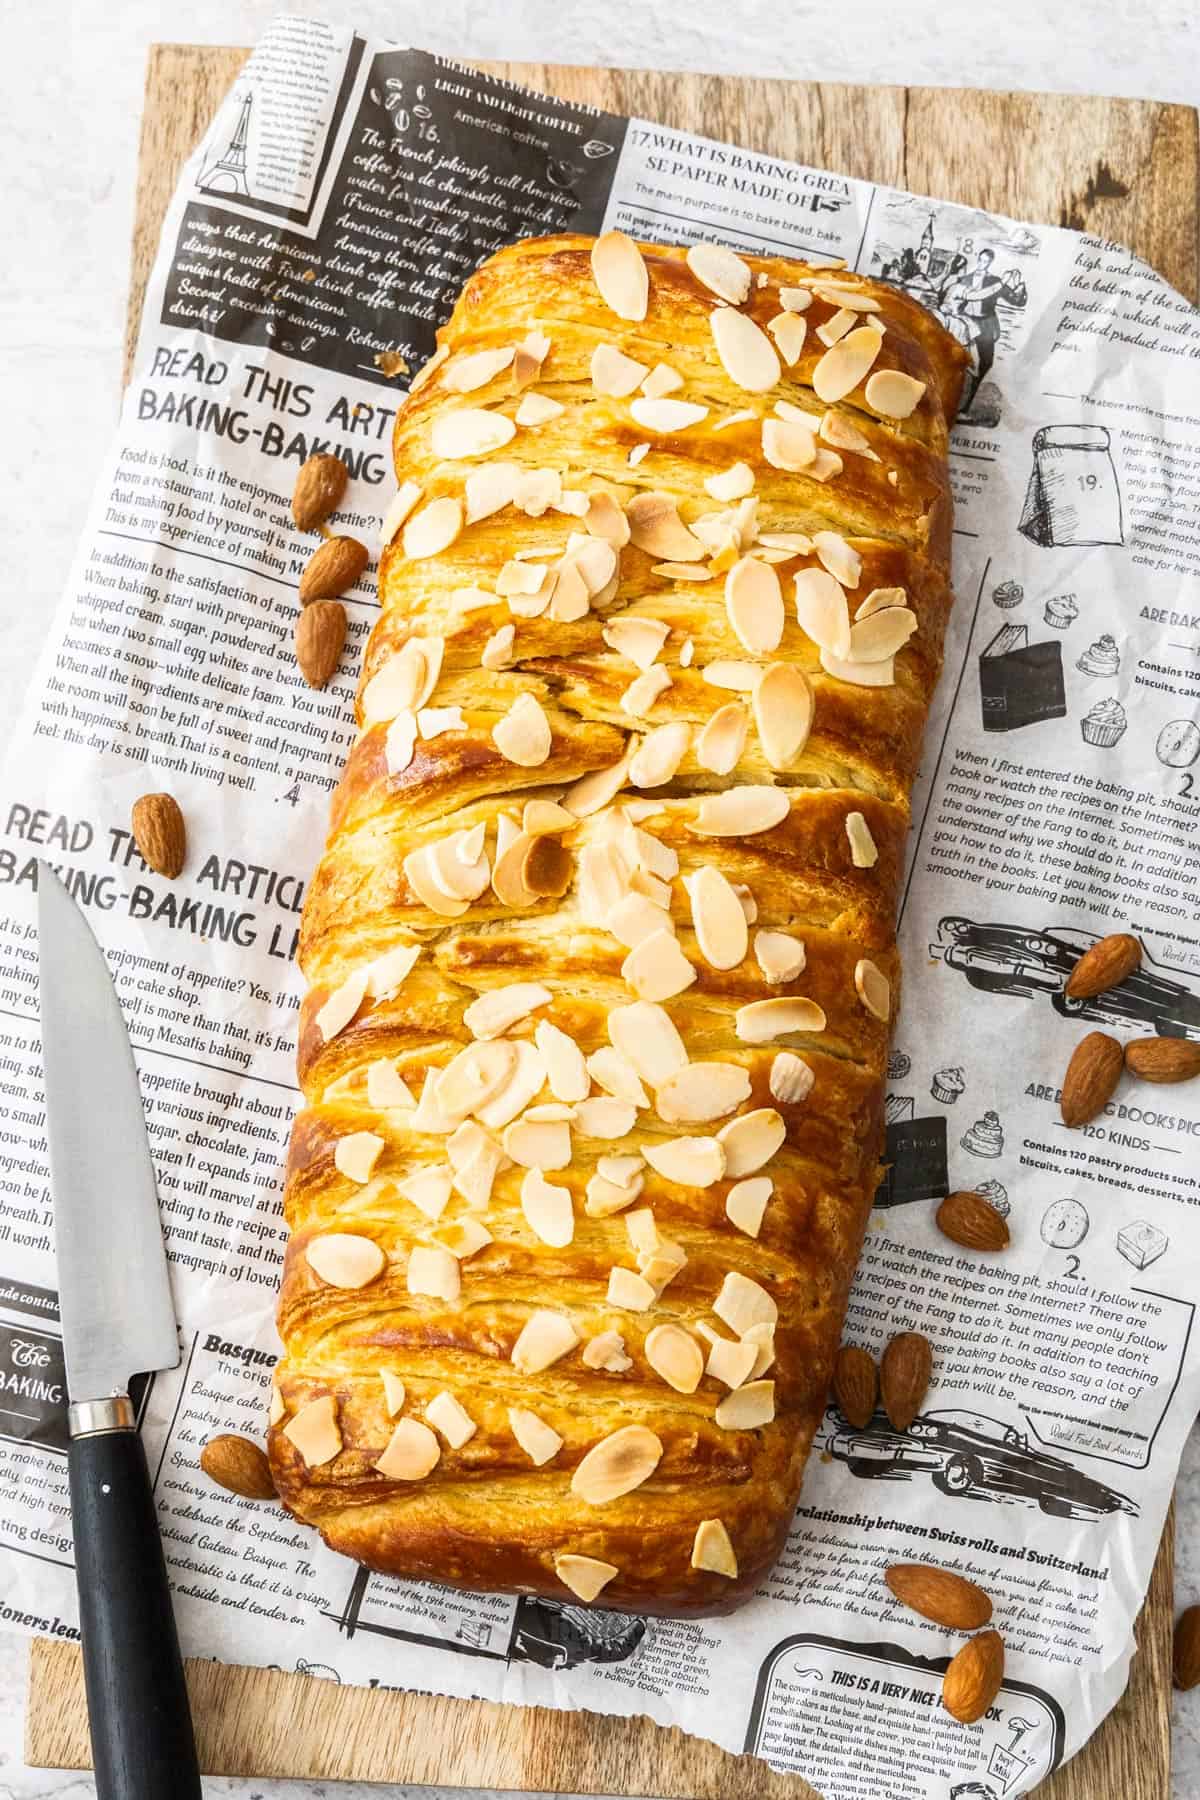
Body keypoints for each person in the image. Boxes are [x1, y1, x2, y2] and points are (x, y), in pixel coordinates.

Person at [939, 247, 1028, 412]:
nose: (982, 264)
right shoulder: (963, 280)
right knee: (955, 362)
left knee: (985, 364)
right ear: (977, 258)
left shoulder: (994, 280)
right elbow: (973, 296)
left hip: (985, 326)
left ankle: (965, 405)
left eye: (986, 261)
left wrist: (1021, 287)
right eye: (980, 260)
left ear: (990, 262)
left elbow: (1017, 301)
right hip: (965, 324)